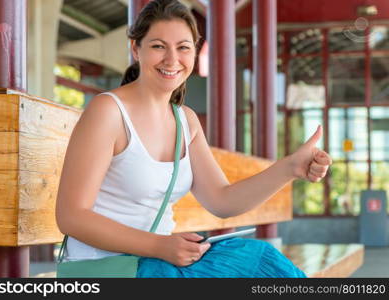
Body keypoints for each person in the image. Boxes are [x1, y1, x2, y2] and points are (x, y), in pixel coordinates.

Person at [55, 0, 332, 278]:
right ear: (136, 49)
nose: (172, 59)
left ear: (195, 52)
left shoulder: (185, 120)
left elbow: (222, 201)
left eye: (183, 47)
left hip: (160, 262)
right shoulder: (109, 111)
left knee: (262, 260)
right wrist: (159, 245)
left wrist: (289, 169)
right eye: (158, 46)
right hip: (106, 268)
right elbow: (71, 216)